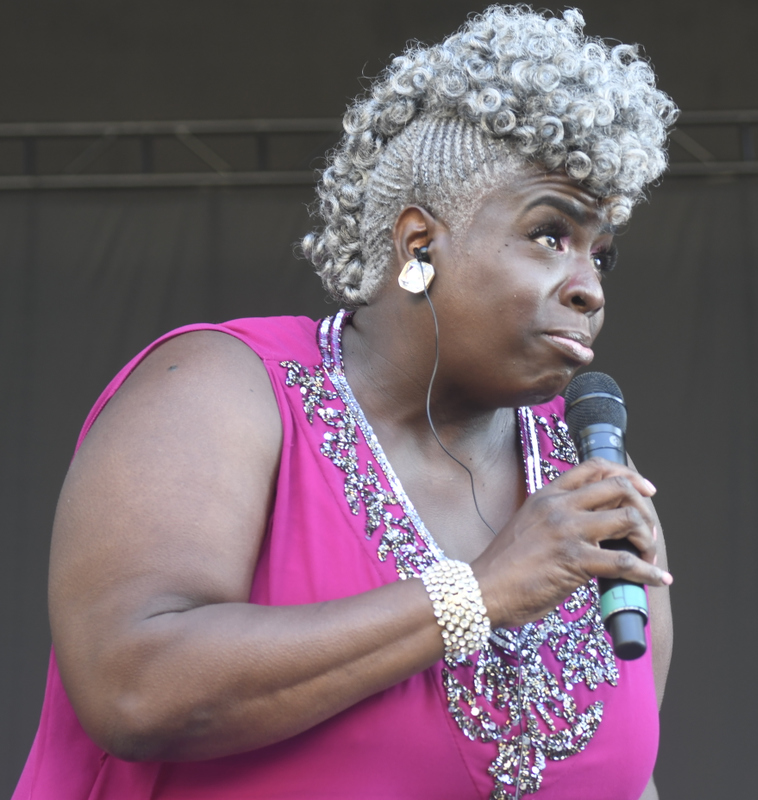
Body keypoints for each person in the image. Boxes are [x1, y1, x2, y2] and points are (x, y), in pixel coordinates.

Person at [14, 7, 678, 799]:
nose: (589, 287)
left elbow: (631, 775)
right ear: (418, 244)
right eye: (550, 235)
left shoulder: (587, 475)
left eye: (601, 254)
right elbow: (131, 687)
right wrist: (479, 593)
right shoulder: (221, 389)